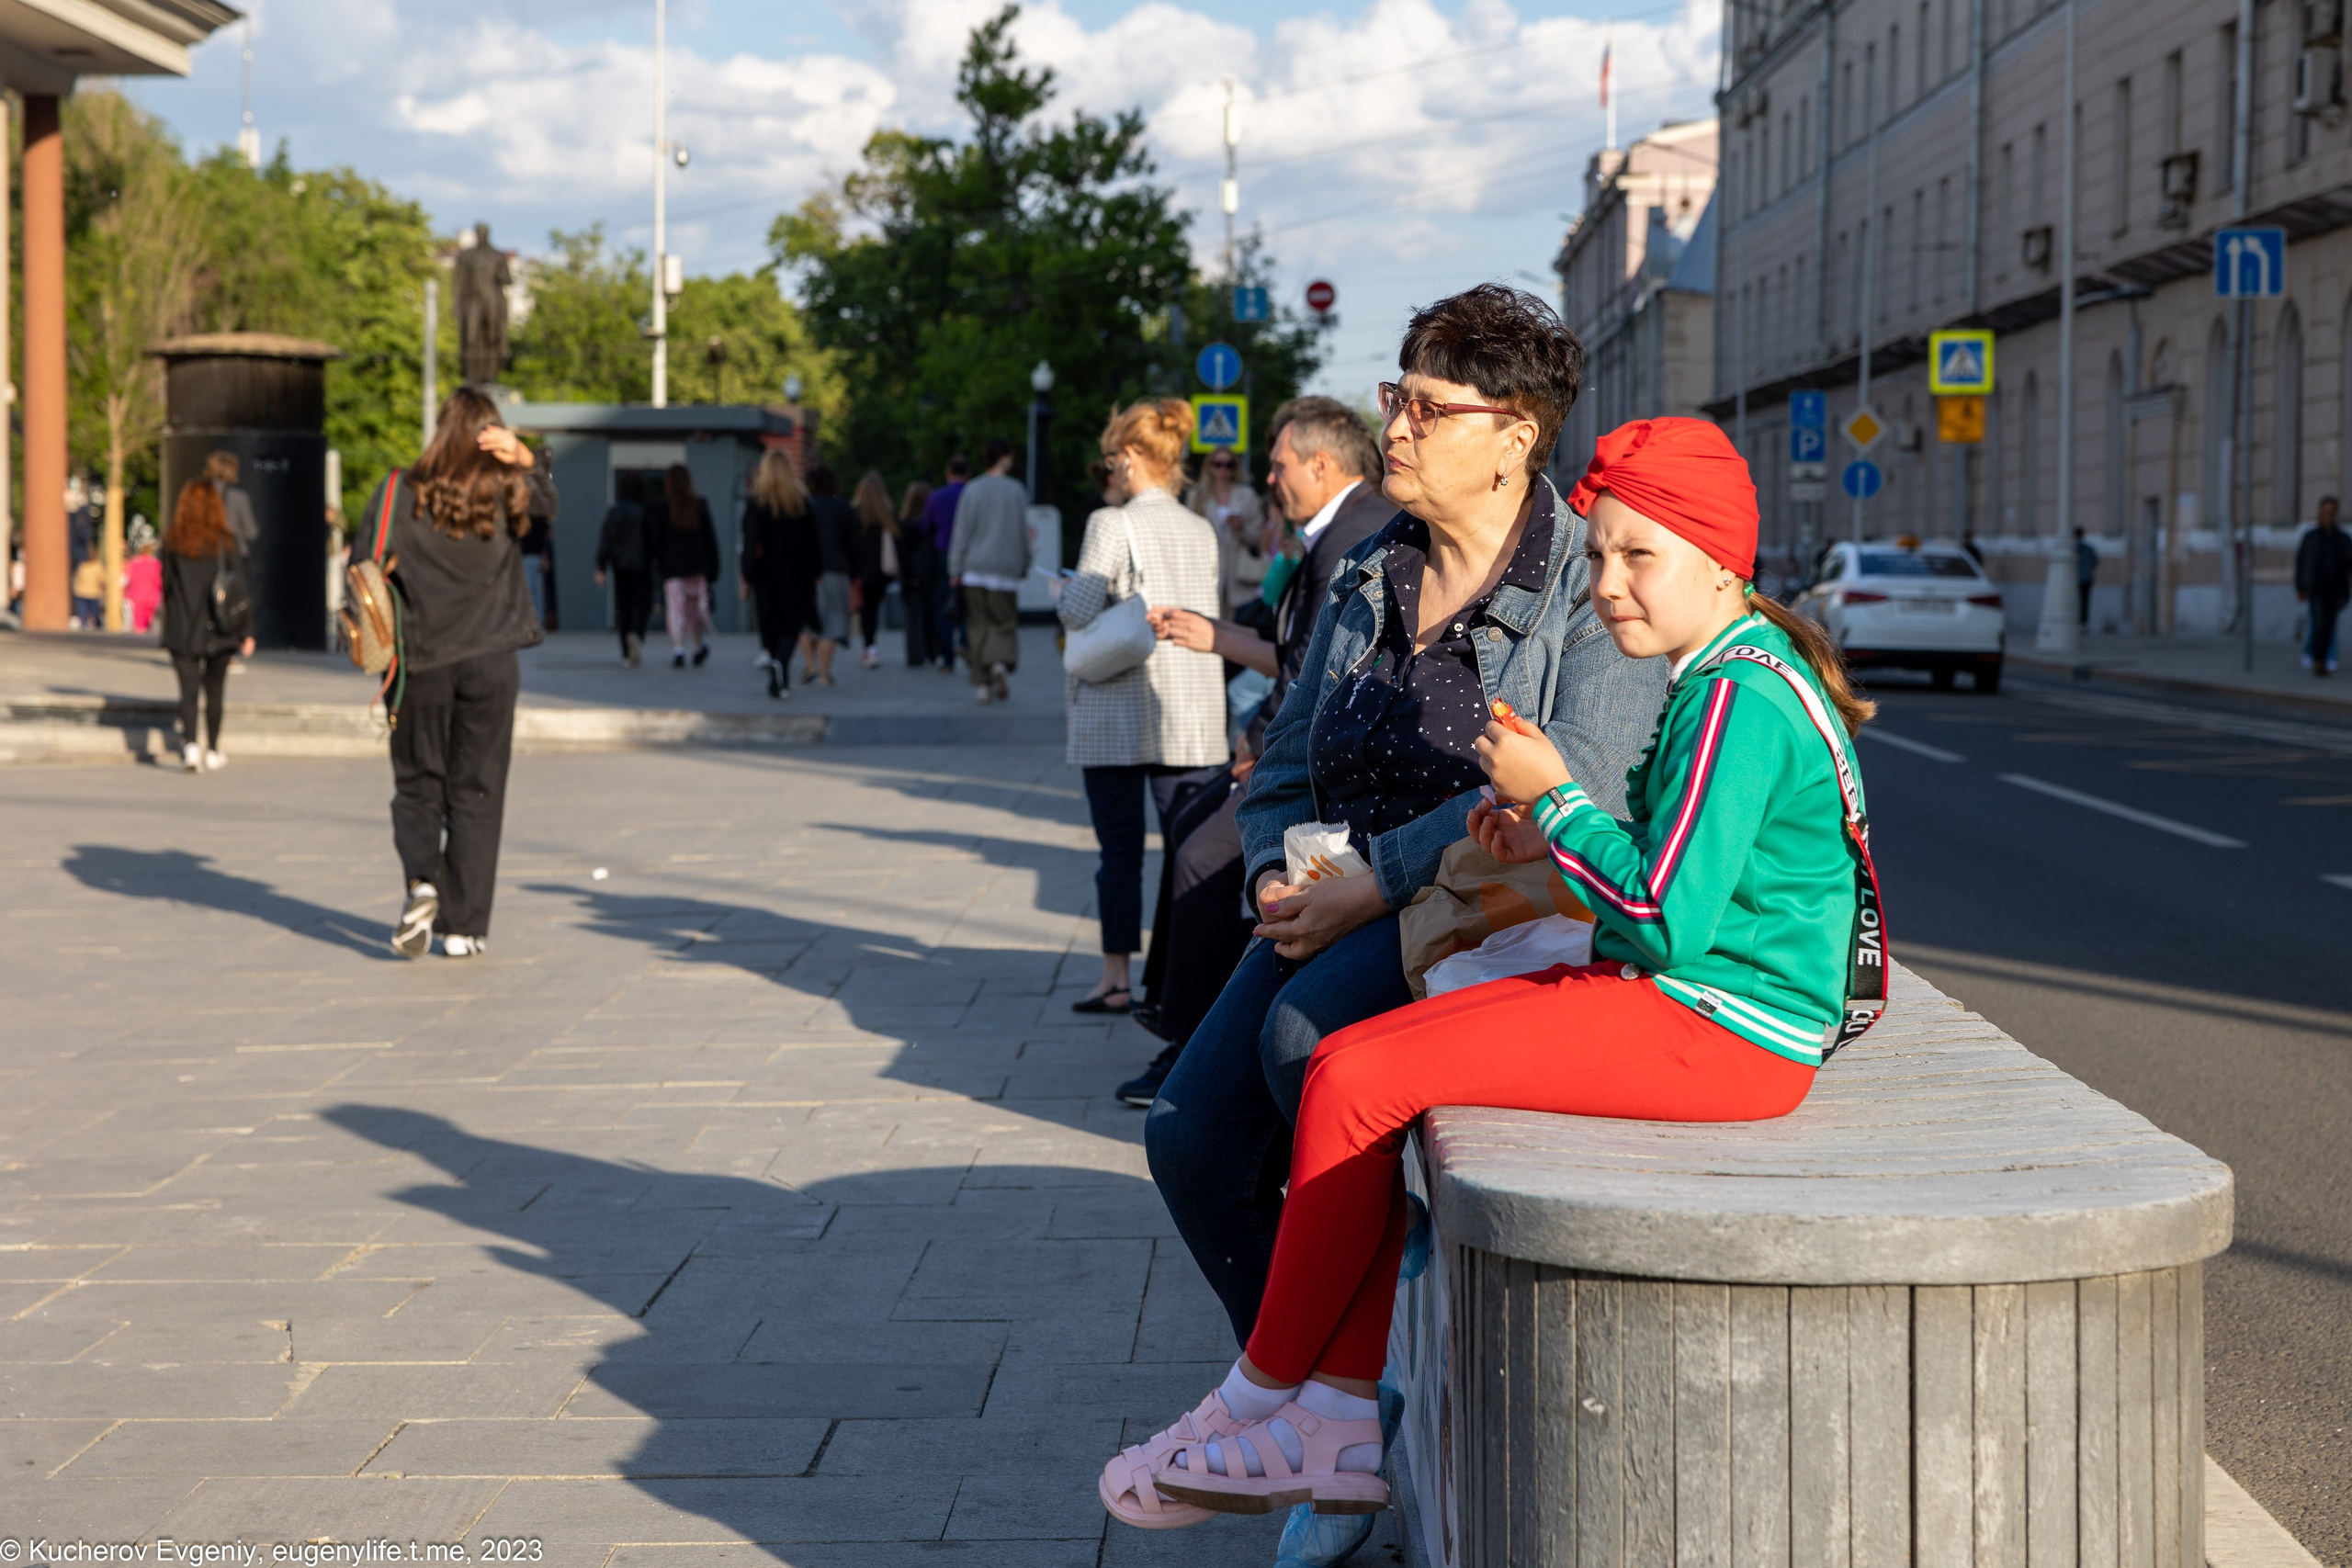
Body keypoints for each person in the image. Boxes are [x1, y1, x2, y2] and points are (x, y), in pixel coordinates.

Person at [1101, 415, 1872, 1529]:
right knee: (1349, 1063)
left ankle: (1270, 1400)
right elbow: (1668, 866)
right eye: (1598, 553)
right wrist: (1538, 837)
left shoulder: (1736, 695)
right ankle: (1332, 1408)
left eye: (1639, 556)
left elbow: (1665, 917)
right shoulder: (1731, 667)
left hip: (1725, 1025)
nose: (1607, 585)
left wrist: (1554, 798)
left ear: (1721, 560)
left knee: (1356, 1076)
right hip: (1705, 1004)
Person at [1134, 283, 1665, 1413]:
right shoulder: (1377, 570)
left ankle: (1331, 1383)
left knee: (1299, 1042)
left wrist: (1376, 881)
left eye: (1428, 406)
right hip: (1333, 897)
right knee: (1186, 1138)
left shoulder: (1585, 582)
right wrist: (1279, 867)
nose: (1398, 427)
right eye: (1397, 397)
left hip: (1485, 906)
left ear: (1514, 435)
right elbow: (1283, 767)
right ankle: (1311, 1386)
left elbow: (1586, 769)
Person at [1117, 397, 1392, 1108]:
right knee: (1188, 829)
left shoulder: (1354, 532)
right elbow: (1297, 656)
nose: (1270, 478)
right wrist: (1212, 634)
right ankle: (1169, 1010)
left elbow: (1312, 674)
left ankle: (1186, 1042)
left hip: (1316, 766)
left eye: (1279, 466)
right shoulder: (1332, 530)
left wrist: (1264, 748)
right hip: (1291, 748)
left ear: (1321, 464)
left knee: (1205, 856)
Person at [368, 387, 555, 960]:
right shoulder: (508, 491)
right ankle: (465, 927)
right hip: (491, 661)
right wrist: (527, 457)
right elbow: (549, 506)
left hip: (421, 659)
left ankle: (422, 881)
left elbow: (365, 565)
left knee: (419, 781)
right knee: (478, 788)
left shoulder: (400, 490)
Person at [1057, 400, 1227, 1015]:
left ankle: (1115, 980)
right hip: (1194, 715)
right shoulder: (1202, 526)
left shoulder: (1111, 522)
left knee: (1119, 854)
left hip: (1119, 711)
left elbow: (1078, 610)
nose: (1112, 470)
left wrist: (1062, 591)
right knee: (1188, 853)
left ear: (1129, 457)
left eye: (1112, 458)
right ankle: (1177, 982)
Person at [159, 477, 254, 773]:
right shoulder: (225, 541)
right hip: (220, 629)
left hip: (182, 626)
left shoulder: (174, 541)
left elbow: (167, 585)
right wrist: (247, 632)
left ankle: (190, 746)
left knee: (188, 691)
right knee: (215, 691)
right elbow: (240, 590)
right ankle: (212, 749)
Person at [948, 438, 1032, 704]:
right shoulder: (1016, 490)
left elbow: (962, 532)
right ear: (1005, 458)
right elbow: (1023, 532)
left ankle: (981, 684)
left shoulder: (972, 490)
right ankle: (1000, 663)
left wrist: (955, 567)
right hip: (1005, 569)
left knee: (977, 626)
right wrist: (1023, 563)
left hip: (975, 568)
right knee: (1004, 624)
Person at [741, 453, 819, 698]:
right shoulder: (802, 503)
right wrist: (816, 572)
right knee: (792, 624)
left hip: (766, 574)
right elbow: (813, 543)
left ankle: (777, 668)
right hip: (797, 573)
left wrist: (747, 575)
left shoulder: (757, 504)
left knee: (770, 623)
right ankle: (781, 667)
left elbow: (750, 544)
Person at [653, 464, 719, 669]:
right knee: (696, 609)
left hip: (673, 568)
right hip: (697, 567)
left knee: (676, 608)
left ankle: (678, 649)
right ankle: (698, 646)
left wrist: (660, 566)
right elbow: (710, 539)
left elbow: (658, 541)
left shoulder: (663, 508)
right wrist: (713, 568)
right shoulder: (699, 505)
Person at [1187, 448, 1269, 614]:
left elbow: (1259, 537)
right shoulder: (1197, 497)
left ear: (1235, 468)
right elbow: (1188, 536)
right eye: (1218, 464)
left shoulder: (1247, 496)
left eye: (1229, 465)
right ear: (1209, 467)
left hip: (1239, 574)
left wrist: (1241, 528)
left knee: (1238, 626)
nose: (1223, 469)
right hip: (1207, 572)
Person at [803, 466, 857, 686]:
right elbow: (853, 544)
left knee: (806, 623)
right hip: (836, 570)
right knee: (832, 622)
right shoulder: (843, 506)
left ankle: (810, 666)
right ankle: (825, 674)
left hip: (807, 572)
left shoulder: (804, 506)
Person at [594, 474, 654, 667]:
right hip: (642, 564)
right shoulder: (645, 511)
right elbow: (653, 540)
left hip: (620, 565)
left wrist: (601, 566)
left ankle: (626, 653)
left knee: (623, 606)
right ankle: (636, 633)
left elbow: (606, 539)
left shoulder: (615, 511)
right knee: (642, 603)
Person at [920, 457, 971, 672]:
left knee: (944, 606)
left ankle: (948, 660)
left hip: (944, 554)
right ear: (967, 474)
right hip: (970, 555)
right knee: (970, 604)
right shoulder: (972, 495)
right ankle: (966, 643)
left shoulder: (936, 497)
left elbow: (925, 528)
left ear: (948, 473)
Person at [2295, 495, 2351, 676]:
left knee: (2328, 626)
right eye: (2326, 511)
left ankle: (2323, 659)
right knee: (2318, 624)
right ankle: (2318, 661)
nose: (2329, 515)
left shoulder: (2342, 539)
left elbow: (2349, 565)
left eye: (2332, 512)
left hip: (2335, 590)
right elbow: (2301, 562)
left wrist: (2346, 590)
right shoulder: (2311, 537)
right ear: (2320, 513)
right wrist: (2300, 587)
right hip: (2316, 588)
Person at [851, 470, 899, 670]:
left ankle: (869, 647)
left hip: (861, 571)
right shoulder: (888, 513)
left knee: (866, 610)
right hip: (881, 571)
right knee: (873, 607)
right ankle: (871, 646)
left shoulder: (854, 513)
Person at [898, 480, 940, 668]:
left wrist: (906, 574)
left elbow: (902, 554)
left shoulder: (904, 524)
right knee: (931, 613)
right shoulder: (930, 526)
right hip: (930, 574)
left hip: (911, 575)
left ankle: (915, 654)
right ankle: (933, 651)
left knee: (913, 616)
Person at [123, 521, 162, 634]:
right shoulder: (156, 565)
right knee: (149, 622)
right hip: (152, 596)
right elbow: (159, 581)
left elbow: (129, 578)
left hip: (137, 595)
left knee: (139, 626)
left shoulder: (135, 563)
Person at [2075, 526, 2098, 627]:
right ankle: (2083, 623)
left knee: (2076, 600)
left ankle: (2078, 621)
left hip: (2076, 579)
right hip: (2087, 578)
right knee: (2085, 601)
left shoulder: (2073, 549)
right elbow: (2094, 562)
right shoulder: (2089, 549)